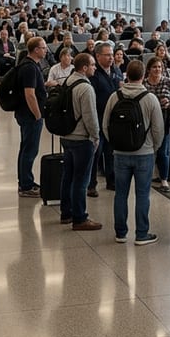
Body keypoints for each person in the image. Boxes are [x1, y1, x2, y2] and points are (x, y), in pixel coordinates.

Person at [104, 60, 164, 245]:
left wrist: (115, 144)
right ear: (144, 75)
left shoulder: (115, 96)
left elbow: (106, 125)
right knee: (142, 194)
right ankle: (141, 234)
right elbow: (158, 129)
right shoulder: (150, 98)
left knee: (120, 194)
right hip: (143, 154)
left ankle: (121, 233)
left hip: (120, 153)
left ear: (126, 75)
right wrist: (153, 148)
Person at [59, 53, 102, 230]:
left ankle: (66, 212)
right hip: (81, 139)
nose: (95, 67)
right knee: (81, 180)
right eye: (92, 65)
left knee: (67, 176)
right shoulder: (86, 88)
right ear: (84, 68)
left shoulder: (68, 81)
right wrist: (96, 137)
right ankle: (79, 218)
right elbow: (90, 117)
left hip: (67, 136)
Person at [14, 37, 49, 198]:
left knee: (26, 148)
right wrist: (37, 114)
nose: (46, 49)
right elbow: (30, 94)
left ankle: (25, 180)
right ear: (36, 50)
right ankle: (26, 185)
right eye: (43, 47)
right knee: (29, 150)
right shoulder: (29, 68)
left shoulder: (30, 65)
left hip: (26, 114)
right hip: (30, 116)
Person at [87, 41, 119, 198]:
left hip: (113, 119)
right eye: (107, 55)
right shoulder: (93, 74)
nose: (111, 58)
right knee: (96, 152)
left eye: (112, 55)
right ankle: (91, 184)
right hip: (98, 117)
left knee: (111, 152)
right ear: (98, 56)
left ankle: (111, 181)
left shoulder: (115, 71)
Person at [143, 57, 170, 193]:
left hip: (164, 119)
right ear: (149, 69)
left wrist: (169, 104)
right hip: (148, 120)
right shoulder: (144, 84)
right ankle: (147, 177)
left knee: (163, 152)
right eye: (154, 67)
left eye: (159, 67)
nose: (157, 69)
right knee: (149, 152)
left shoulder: (168, 82)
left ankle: (164, 179)